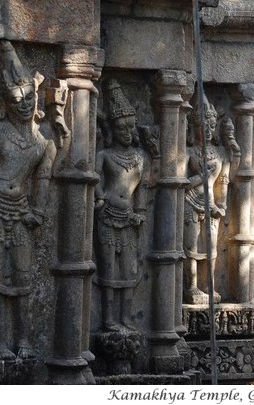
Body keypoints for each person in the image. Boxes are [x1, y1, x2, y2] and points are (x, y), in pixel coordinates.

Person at [0, 41, 57, 360]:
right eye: (16, 99)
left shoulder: (44, 143)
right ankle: (0, 343)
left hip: (21, 209)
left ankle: (24, 340)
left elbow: (42, 181)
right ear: (6, 100)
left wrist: (40, 210)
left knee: (24, 276)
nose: (24, 104)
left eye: (29, 97)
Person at [94, 79, 147, 331]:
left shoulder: (139, 157)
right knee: (109, 271)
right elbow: (94, 180)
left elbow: (141, 191)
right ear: (112, 130)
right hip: (106, 216)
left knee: (129, 270)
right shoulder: (103, 156)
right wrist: (100, 197)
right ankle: (108, 319)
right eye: (121, 128)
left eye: (130, 127)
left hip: (129, 218)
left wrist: (140, 213)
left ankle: (125, 317)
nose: (127, 132)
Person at [183, 94, 232, 305]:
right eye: (204, 126)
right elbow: (179, 183)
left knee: (211, 249)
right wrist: (200, 178)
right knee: (191, 247)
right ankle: (191, 287)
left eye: (212, 125)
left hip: (211, 204)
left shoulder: (220, 152)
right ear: (195, 128)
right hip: (190, 201)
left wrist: (221, 205)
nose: (209, 129)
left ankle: (208, 286)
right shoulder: (188, 151)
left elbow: (223, 182)